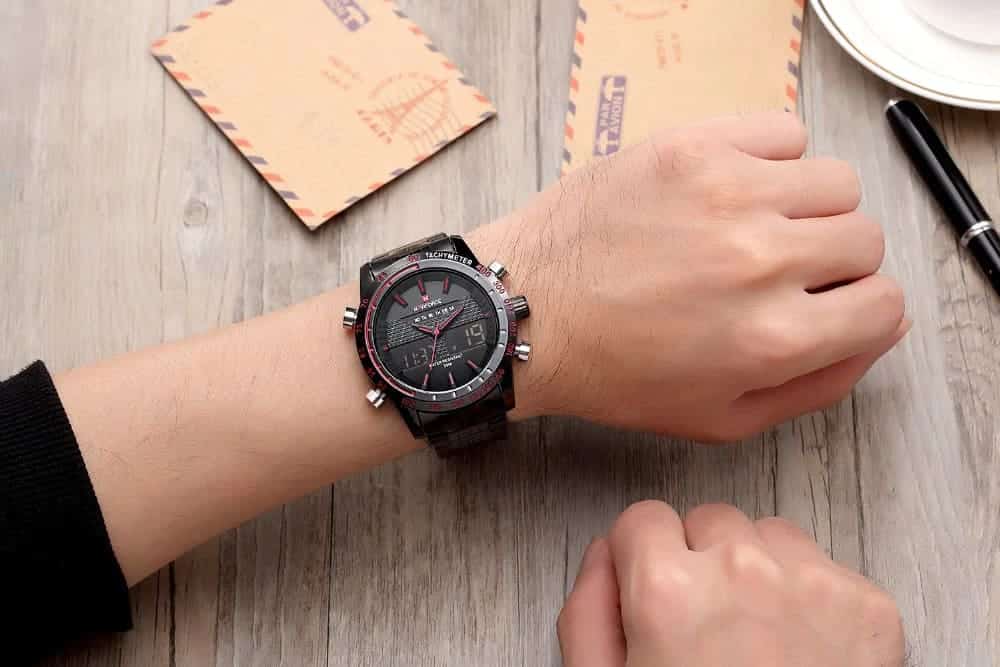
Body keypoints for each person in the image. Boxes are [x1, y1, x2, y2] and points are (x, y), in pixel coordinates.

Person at [1, 112, 906, 664]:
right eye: (421, 325)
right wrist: (551, 293)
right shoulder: (431, 332)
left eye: (442, 320)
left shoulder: (456, 321)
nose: (431, 328)